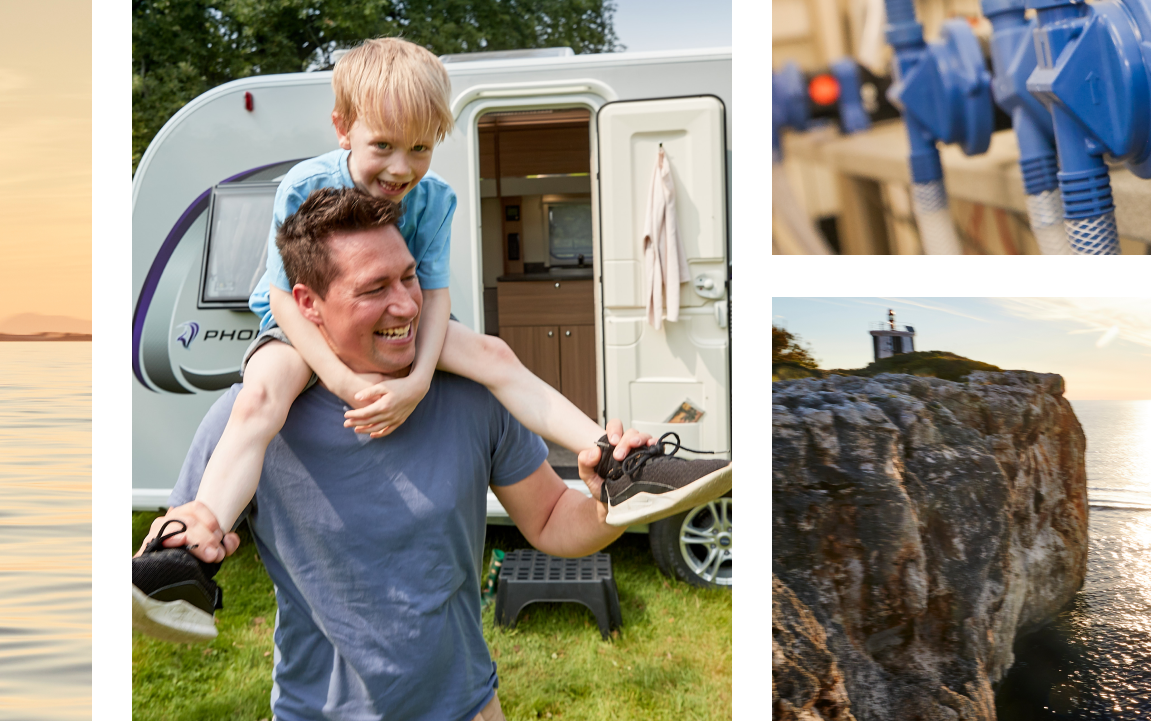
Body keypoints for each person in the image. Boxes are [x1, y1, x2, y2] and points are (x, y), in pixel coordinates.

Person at [139, 37, 733, 577]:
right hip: (297, 324)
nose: (402, 168)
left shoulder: (433, 198)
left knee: (496, 355)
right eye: (384, 146)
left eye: (420, 147)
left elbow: (437, 293)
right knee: (263, 396)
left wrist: (419, 381)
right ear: (343, 128)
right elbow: (279, 297)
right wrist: (343, 380)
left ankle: (622, 466)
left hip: (410, 318)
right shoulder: (304, 184)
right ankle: (196, 537)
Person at [130, 187, 728, 721]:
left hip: (465, 703)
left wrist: (603, 507)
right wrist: (176, 545)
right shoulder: (251, 414)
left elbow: (548, 521)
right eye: (374, 289)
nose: (409, 306)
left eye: (409, 278)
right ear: (307, 304)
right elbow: (181, 545)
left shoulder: (470, 397)